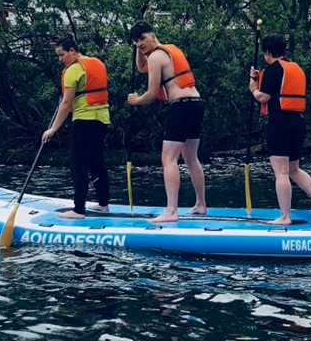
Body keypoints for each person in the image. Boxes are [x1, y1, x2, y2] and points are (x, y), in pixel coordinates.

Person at [127, 21, 206, 223]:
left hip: (181, 106)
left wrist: (136, 101)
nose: (140, 44)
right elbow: (141, 67)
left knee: (168, 159)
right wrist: (139, 48)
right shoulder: (167, 51)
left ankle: (171, 211)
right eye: (136, 42)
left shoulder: (156, 56)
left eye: (142, 39)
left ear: (153, 36)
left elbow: (152, 94)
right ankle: (200, 205)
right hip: (196, 103)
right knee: (191, 158)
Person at [249, 34, 311, 225]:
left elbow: (263, 97)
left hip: (279, 123)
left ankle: (285, 216)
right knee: (293, 168)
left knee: (281, 172)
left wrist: (252, 87)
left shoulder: (272, 69)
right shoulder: (295, 68)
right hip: (297, 123)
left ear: (267, 52)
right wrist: (258, 78)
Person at [42, 36, 111, 219]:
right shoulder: (96, 62)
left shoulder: (73, 69)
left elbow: (66, 104)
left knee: (77, 164)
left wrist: (53, 129)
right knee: (96, 162)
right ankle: (104, 205)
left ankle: (78, 210)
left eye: (62, 54)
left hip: (84, 120)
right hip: (102, 120)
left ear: (72, 51)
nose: (60, 59)